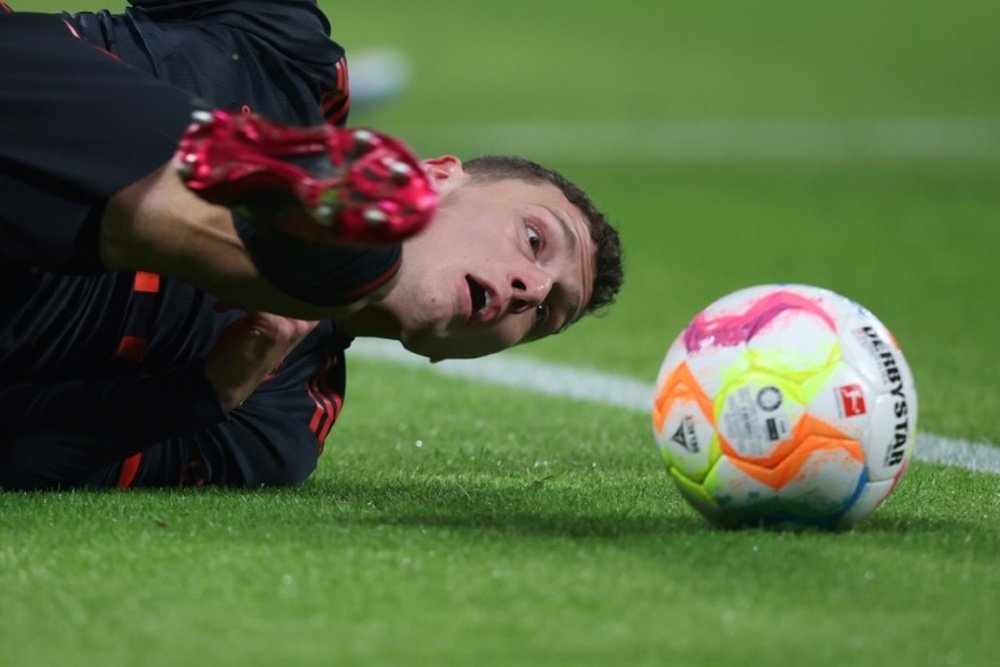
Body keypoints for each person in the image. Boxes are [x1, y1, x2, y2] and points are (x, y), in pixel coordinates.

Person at [0, 2, 623, 489]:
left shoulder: (276, 422)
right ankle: (264, 214)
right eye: (534, 239)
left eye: (546, 314)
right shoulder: (283, 53)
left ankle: (238, 188)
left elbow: (19, 455)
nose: (531, 290)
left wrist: (200, 392)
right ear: (435, 174)